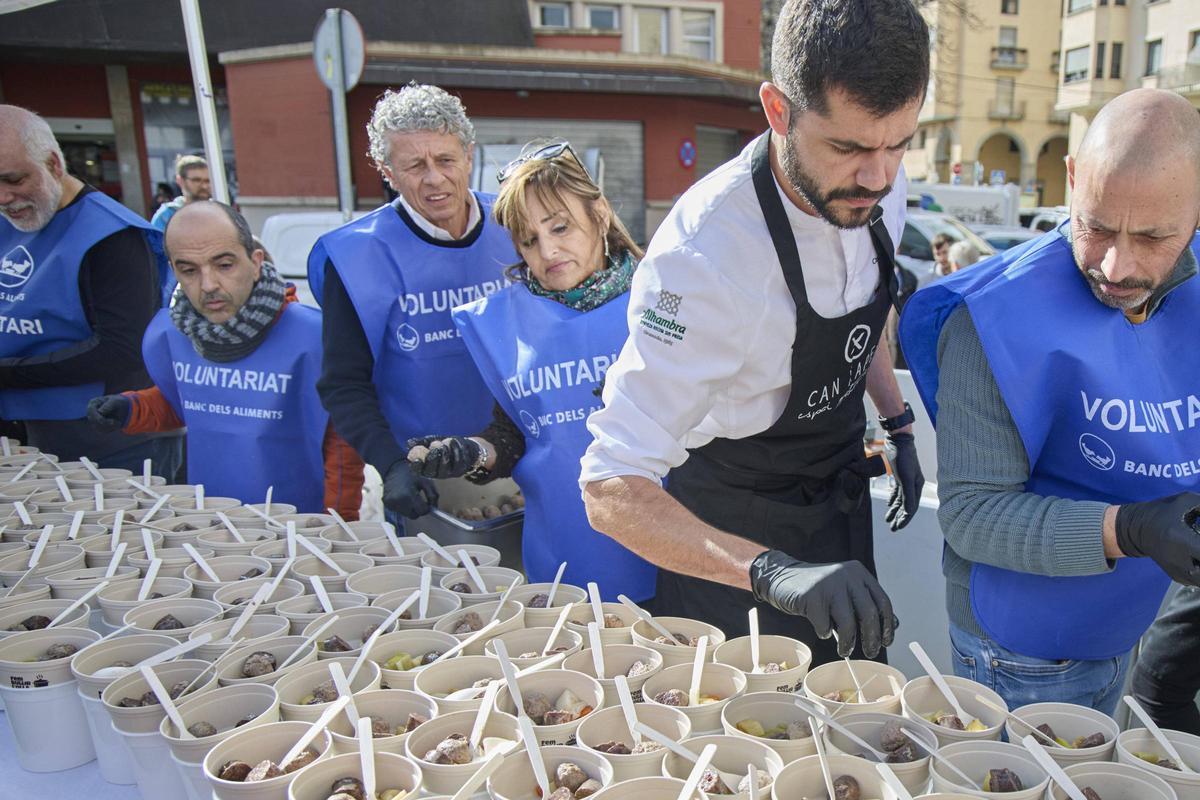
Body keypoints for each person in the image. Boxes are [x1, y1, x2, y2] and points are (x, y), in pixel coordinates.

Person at [579, 0, 929, 663]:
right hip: (731, 542)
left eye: (899, 143)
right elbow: (609, 487)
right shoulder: (705, 259)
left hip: (835, 502)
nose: (879, 176)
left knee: (857, 731)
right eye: (848, 147)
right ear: (778, 111)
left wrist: (898, 420)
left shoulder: (876, 184)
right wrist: (772, 572)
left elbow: (860, 310)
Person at [898, 88, 1200, 715]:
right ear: (1070, 178)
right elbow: (973, 514)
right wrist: (1134, 529)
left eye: (1151, 236)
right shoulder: (994, 317)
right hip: (1022, 649)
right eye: (1094, 226)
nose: (1116, 266)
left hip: (1125, 621)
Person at [407, 141, 657, 600]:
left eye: (560, 227)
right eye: (529, 240)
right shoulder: (507, 324)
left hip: (668, 554)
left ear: (599, 214)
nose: (548, 250)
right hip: (563, 556)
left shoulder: (660, 299)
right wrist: (469, 453)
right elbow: (515, 436)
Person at [309, 84, 515, 523]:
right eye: (415, 165)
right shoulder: (356, 257)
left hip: (523, 461)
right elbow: (343, 384)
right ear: (387, 171)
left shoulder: (517, 224)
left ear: (469, 155)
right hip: (422, 479)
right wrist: (391, 465)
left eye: (445, 159)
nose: (435, 178)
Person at [86, 201, 364, 516]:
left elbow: (342, 443)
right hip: (210, 518)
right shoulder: (173, 334)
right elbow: (191, 402)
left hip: (296, 520)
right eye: (189, 270)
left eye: (224, 265)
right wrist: (131, 408)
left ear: (256, 261)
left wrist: (338, 523)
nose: (209, 285)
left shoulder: (313, 336)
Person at [0, 105, 181, 476]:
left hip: (105, 438)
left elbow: (119, 349)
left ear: (53, 165)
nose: (4, 197)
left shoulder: (113, 236)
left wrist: (8, 373)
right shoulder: (10, 221)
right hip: (22, 427)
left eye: (14, 179)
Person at [151, 154, 210, 232]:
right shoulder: (166, 216)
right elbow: (155, 242)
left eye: (207, 181)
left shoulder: (220, 212)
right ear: (180, 180)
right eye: (197, 180)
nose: (204, 186)